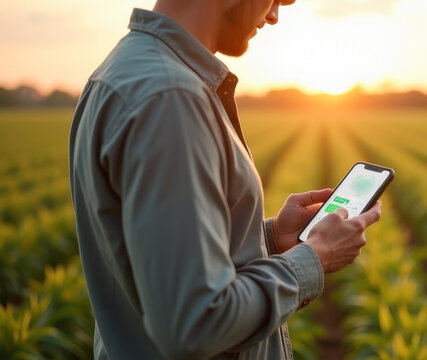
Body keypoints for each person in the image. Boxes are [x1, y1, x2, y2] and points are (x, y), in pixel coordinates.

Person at [68, 0, 382, 359]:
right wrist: (314, 257)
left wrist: (269, 239)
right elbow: (197, 323)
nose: (274, 16)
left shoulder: (123, 71)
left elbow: (149, 259)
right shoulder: (170, 97)